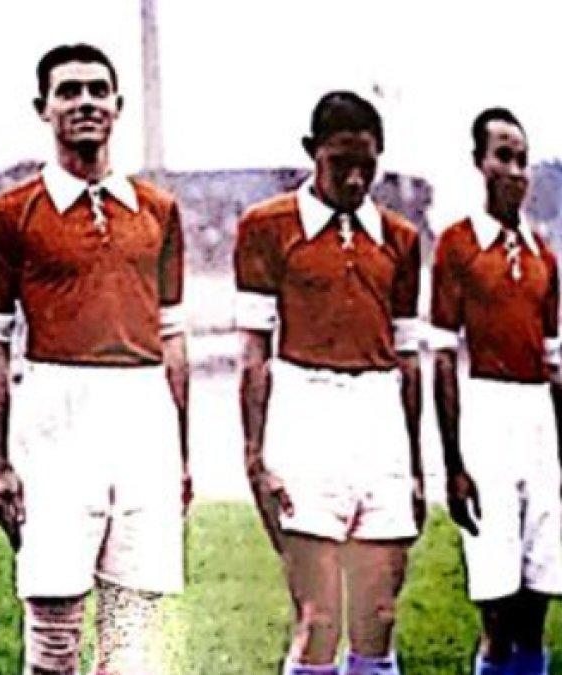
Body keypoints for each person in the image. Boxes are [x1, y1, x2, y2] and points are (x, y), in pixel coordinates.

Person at [0, 43, 190, 674]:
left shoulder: (159, 211)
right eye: (69, 91)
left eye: (98, 90)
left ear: (118, 105)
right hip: (56, 415)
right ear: (43, 108)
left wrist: (181, 454)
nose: (86, 102)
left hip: (144, 414)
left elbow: (174, 343)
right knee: (54, 628)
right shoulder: (7, 216)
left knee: (134, 636)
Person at [234, 91, 424, 675]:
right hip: (305, 414)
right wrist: (255, 456)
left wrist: (416, 466)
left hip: (379, 419)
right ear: (311, 152)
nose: (355, 179)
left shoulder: (400, 239)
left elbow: (408, 360)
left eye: (367, 165)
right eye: (341, 164)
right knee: (318, 621)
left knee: (379, 617)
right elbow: (254, 354)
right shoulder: (267, 227)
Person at [428, 107, 561, 675]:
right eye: (503, 157)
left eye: (522, 159)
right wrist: (454, 465)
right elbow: (441, 357)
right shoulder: (457, 245)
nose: (515, 172)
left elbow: (555, 365)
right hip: (485, 412)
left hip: (538, 421)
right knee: (498, 603)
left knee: (538, 595)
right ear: (479, 163)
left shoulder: (543, 256)